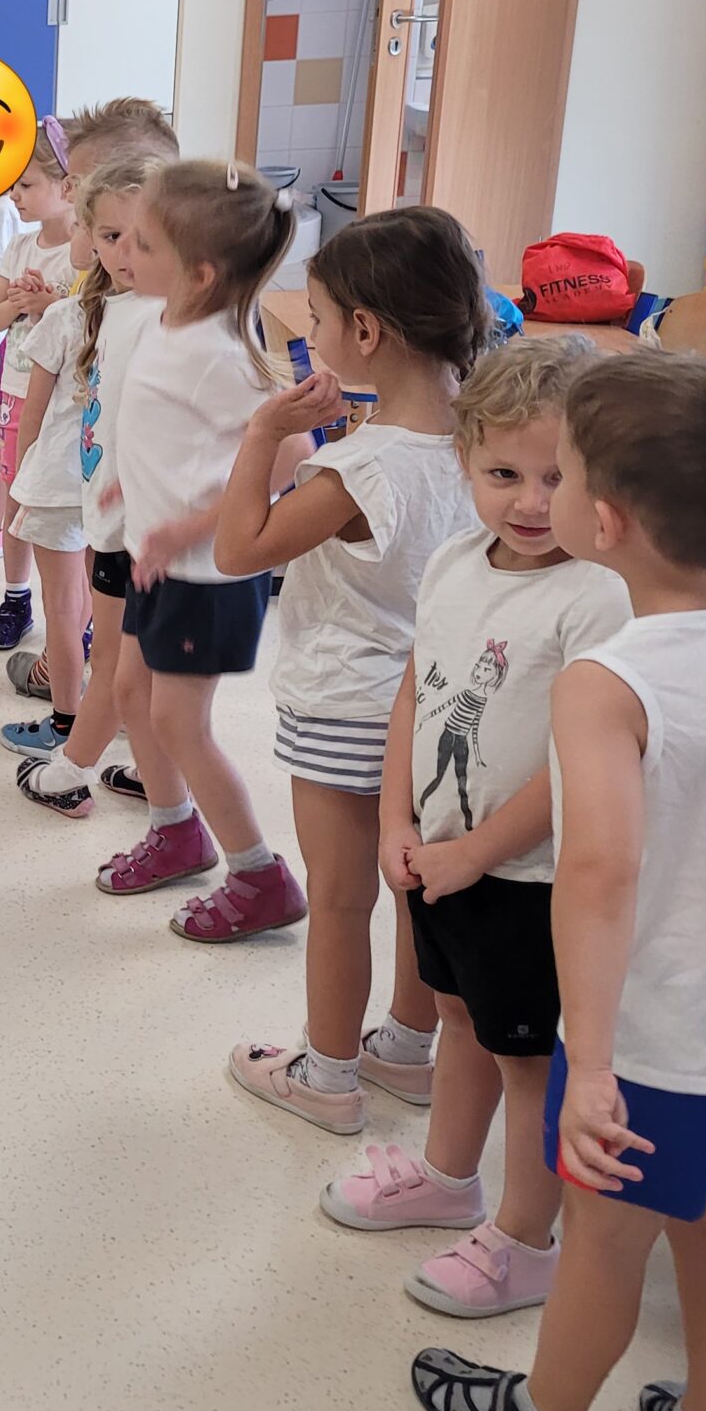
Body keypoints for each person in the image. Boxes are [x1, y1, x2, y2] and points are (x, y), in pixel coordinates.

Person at [416, 354, 706, 1411]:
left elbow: (599, 874)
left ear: (601, 522)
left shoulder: (609, 680)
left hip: (655, 1032)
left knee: (606, 1237)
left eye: (559, 474)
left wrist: (594, 1064)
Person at [317, 337, 629, 1320]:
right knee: (456, 1019)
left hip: (528, 878)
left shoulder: (599, 594)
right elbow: (419, 686)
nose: (531, 503)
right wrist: (395, 819)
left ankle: (527, 1242)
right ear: (464, 460)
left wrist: (475, 853)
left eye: (558, 478)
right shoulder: (456, 558)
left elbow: (580, 764)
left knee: (526, 1060)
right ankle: (449, 1178)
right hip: (438, 857)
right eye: (504, 475)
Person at [211, 211, 487, 1146]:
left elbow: (240, 549)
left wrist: (264, 434)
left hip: (346, 704)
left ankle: (326, 1075)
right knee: (415, 886)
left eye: (320, 318)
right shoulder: (489, 443)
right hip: (445, 707)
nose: (313, 332)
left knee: (338, 897)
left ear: (365, 331)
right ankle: (407, 1048)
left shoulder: (355, 470)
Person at [108, 159, 308, 937]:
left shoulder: (220, 354)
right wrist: (132, 483)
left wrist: (186, 527)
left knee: (179, 723)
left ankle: (259, 875)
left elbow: (289, 456)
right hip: (158, 559)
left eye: (141, 244)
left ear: (199, 273)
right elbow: (177, 434)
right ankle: (176, 831)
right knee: (133, 696)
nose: (123, 253)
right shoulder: (167, 321)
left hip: (206, 574)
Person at [6, 98, 184, 703]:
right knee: (107, 627)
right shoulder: (98, 306)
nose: (70, 202)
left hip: (120, 503)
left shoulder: (145, 316)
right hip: (102, 493)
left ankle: (75, 716)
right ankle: (95, 712)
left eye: (78, 186)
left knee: (108, 625)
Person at [17, 156, 176, 819]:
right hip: (113, 514)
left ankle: (72, 768)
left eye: (143, 239)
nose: (124, 254)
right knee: (132, 660)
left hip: (147, 526)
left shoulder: (165, 318)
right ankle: (156, 779)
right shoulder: (106, 310)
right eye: (110, 236)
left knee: (121, 659)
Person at [0, 214, 95, 758]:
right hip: (108, 482)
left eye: (83, 224)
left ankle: (63, 721)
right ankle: (110, 710)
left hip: (56, 482)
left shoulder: (65, 316)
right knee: (104, 602)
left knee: (61, 605)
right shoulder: (141, 317)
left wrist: (22, 486)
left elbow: (31, 414)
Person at [0, 134, 78, 651]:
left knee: (62, 507)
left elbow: (88, 317)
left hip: (69, 402)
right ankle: (16, 598)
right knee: (16, 498)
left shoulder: (85, 252)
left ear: (67, 186)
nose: (14, 195)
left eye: (26, 185)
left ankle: (79, 614)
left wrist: (50, 302)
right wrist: (19, 303)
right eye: (12, 185)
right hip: (17, 393)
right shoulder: (20, 246)